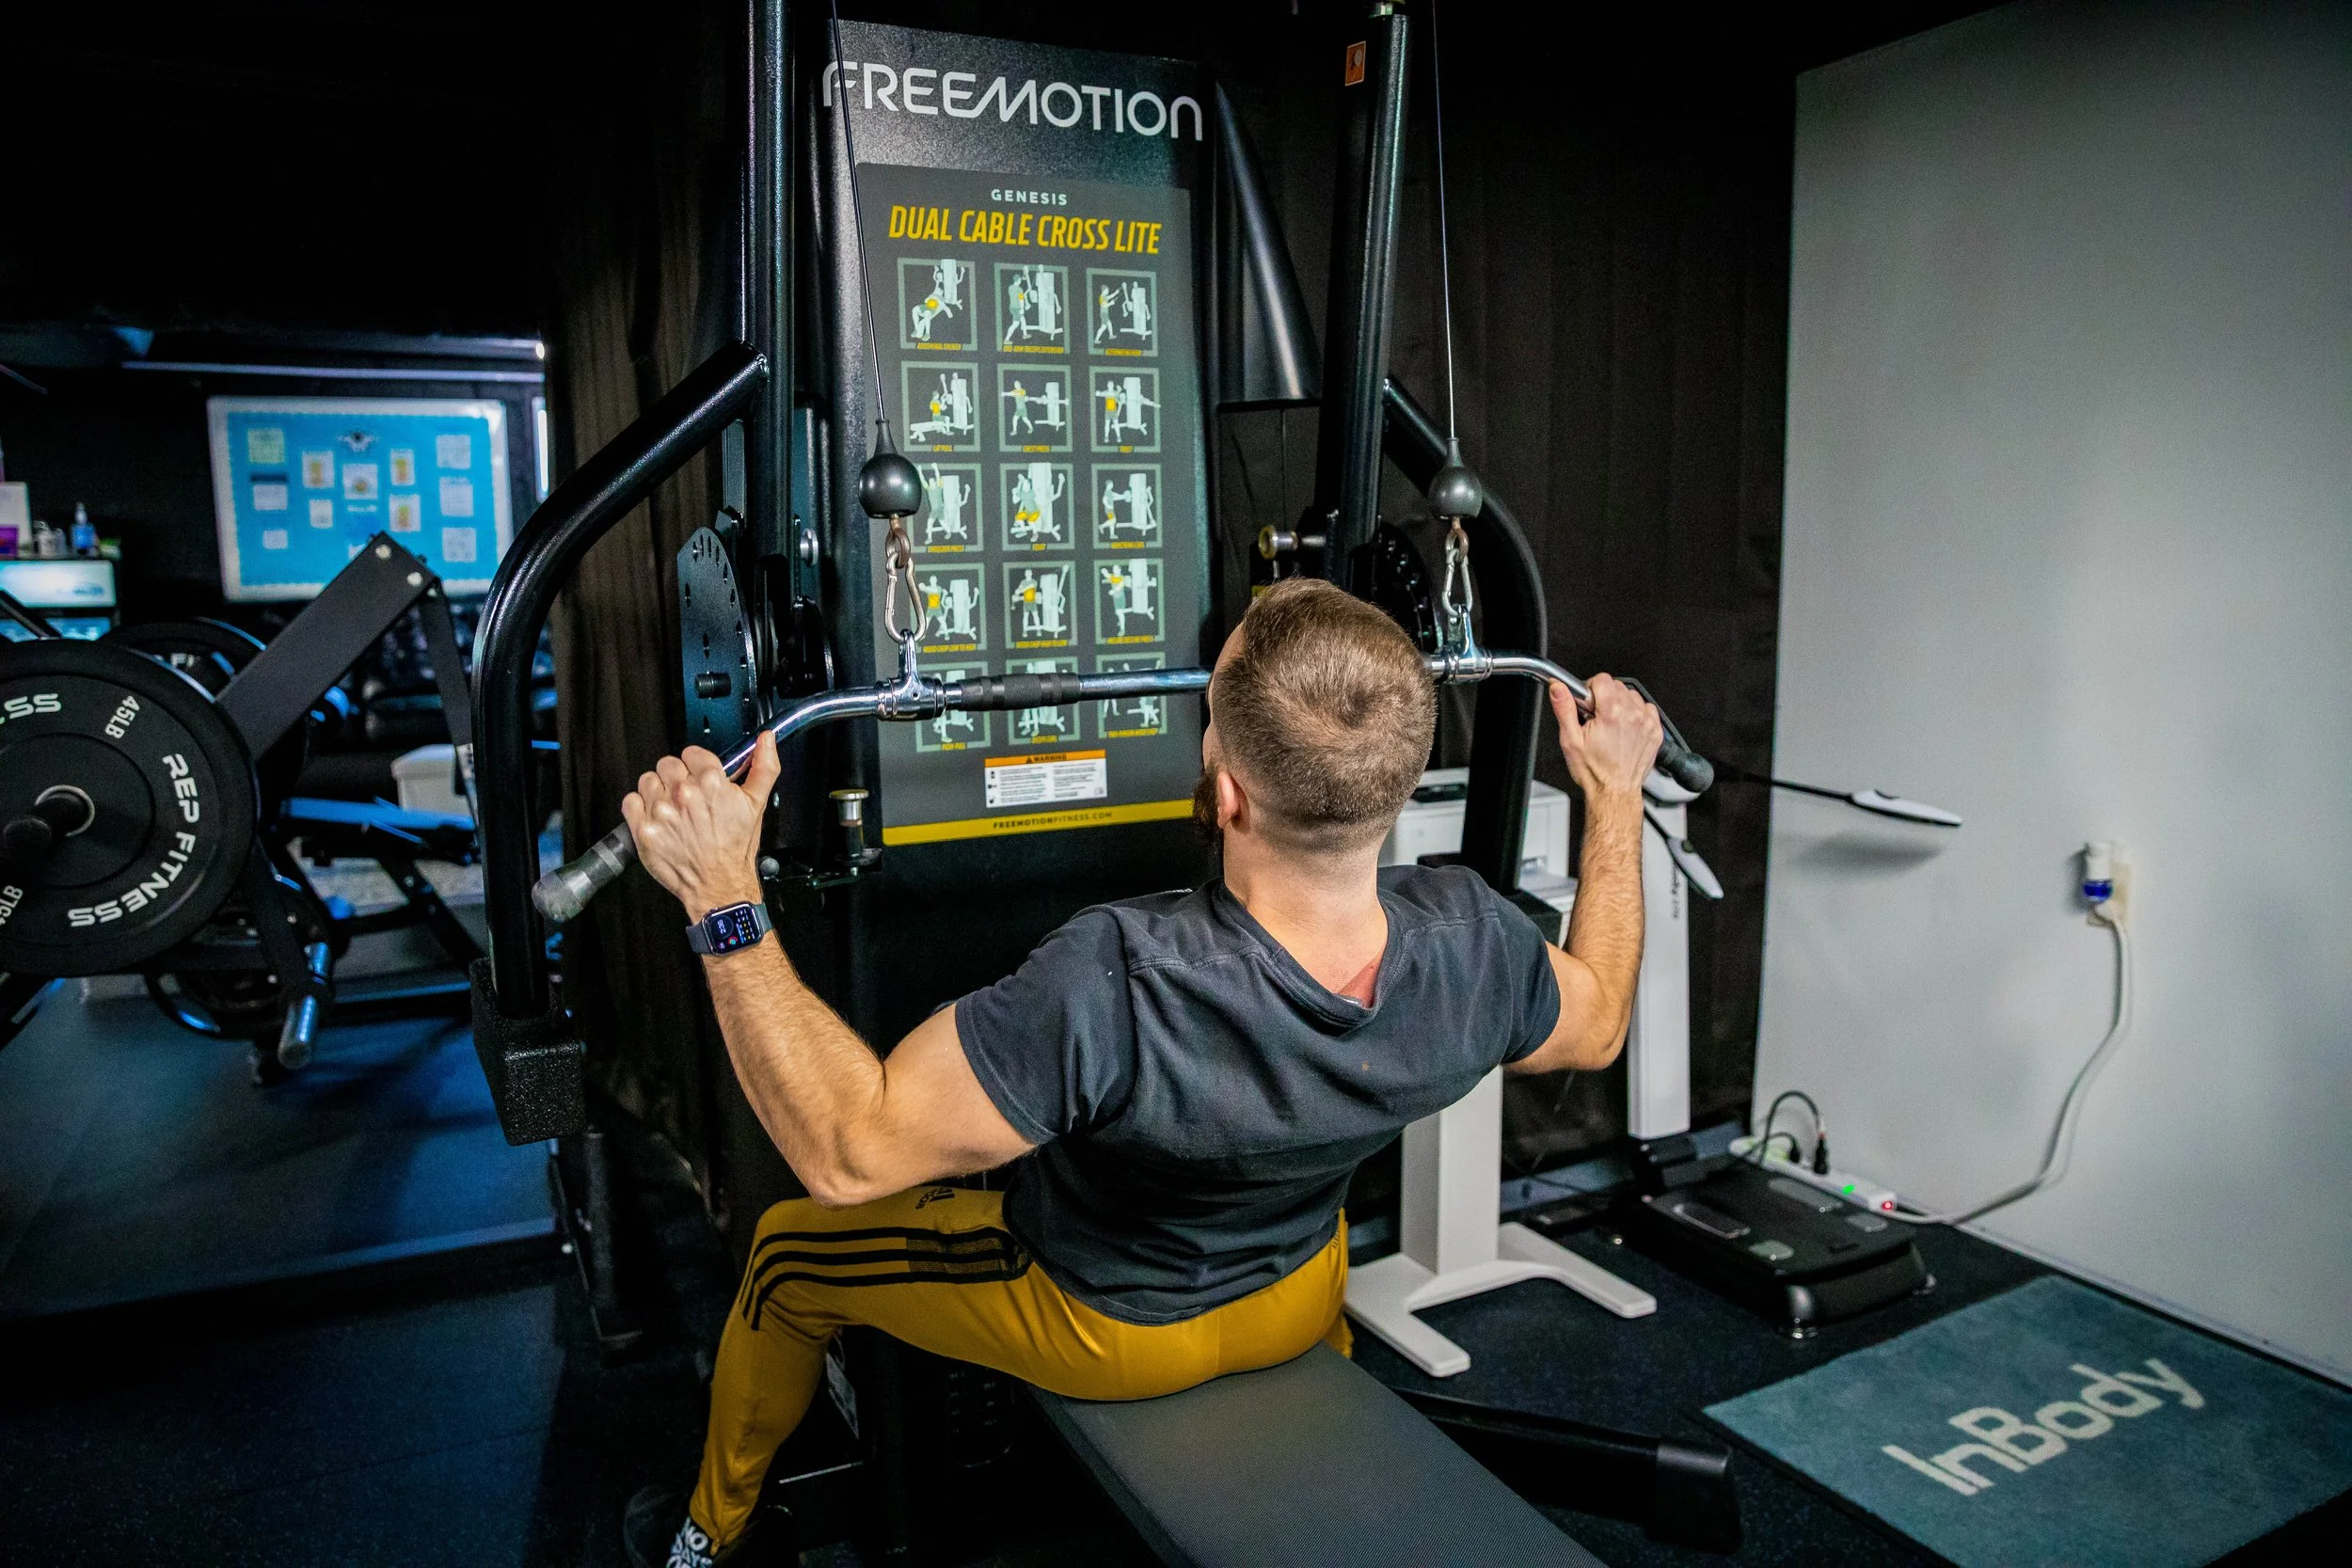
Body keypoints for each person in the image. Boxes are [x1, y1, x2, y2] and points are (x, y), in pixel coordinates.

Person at [627, 578, 1663, 1567]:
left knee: (784, 1259)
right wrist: (1613, 792)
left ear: (1223, 791)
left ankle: (711, 1538)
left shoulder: (1118, 976)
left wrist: (723, 895)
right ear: (1394, 780)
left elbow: (847, 1156)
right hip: (1299, 1293)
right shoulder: (1477, 941)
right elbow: (1602, 1020)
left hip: (1106, 1321)